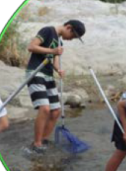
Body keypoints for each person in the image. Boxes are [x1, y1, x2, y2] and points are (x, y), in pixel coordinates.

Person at [26, 20, 85, 153]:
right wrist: (52, 50)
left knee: (56, 111)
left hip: (48, 75)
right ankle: (37, 143)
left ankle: (44, 140)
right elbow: (32, 47)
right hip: (35, 72)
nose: (71, 39)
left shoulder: (59, 42)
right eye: (73, 36)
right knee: (45, 108)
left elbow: (55, 60)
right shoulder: (47, 30)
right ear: (68, 27)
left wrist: (58, 70)